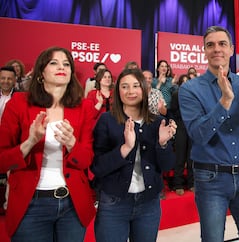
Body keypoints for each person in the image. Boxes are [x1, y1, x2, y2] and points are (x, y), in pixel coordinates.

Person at [178, 26, 239, 242]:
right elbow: (198, 135)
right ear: (204, 51)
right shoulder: (190, 89)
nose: (216, 49)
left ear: (231, 49)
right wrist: (225, 101)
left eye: (222, 44)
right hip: (211, 180)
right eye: (210, 45)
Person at [0, 46, 96, 241]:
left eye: (66, 64)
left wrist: (71, 144)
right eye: (54, 63)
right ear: (41, 73)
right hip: (30, 204)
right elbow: (2, 161)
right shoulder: (18, 103)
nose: (62, 67)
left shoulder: (83, 107)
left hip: (72, 205)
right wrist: (30, 141)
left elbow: (86, 160)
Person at [90, 68, 177, 242]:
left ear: (143, 89)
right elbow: (98, 167)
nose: (131, 91)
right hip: (114, 203)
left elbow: (167, 166)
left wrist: (162, 144)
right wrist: (125, 148)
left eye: (136, 86)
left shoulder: (158, 122)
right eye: (125, 86)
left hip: (149, 203)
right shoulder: (107, 120)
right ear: (118, 90)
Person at [170, 74, 193, 195]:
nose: (185, 84)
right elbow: (172, 111)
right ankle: (177, 184)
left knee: (191, 157)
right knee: (180, 156)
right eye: (182, 82)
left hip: (192, 127)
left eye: (187, 81)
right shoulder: (176, 95)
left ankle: (191, 183)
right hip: (180, 126)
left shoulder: (195, 96)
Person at [0, 66, 18, 214]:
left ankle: (9, 206)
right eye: (3, 78)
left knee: (11, 177)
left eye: (9, 78)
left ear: (15, 80)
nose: (6, 81)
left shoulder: (20, 98)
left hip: (11, 143)